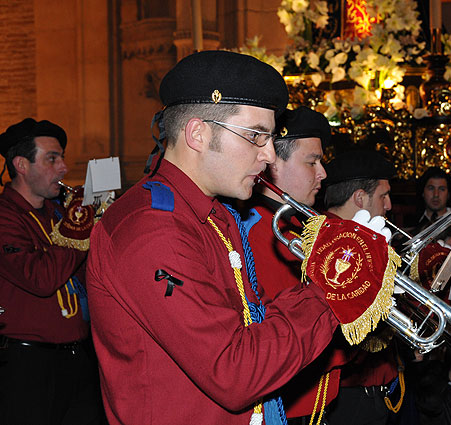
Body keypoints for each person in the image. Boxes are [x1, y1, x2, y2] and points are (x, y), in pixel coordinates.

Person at [86, 51, 397, 424]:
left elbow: (253, 327)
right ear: (198, 134)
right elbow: (234, 372)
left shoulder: (214, 214)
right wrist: (332, 288)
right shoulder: (152, 230)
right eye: (255, 136)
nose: (268, 155)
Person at [243, 106, 346, 422]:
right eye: (312, 161)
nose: (323, 173)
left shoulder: (303, 224)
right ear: (273, 164)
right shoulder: (258, 229)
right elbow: (288, 332)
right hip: (289, 412)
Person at [0, 118, 104, 424]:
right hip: (27, 365)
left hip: (77, 358)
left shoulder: (58, 211)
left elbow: (90, 275)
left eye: (62, 158)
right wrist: (76, 236)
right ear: (21, 164)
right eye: (52, 159)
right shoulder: (5, 216)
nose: (63, 168)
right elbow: (40, 278)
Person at [322, 149, 399, 425]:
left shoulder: (367, 240)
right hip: (348, 398)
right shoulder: (327, 244)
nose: (389, 205)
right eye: (383, 195)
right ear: (359, 198)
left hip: (374, 391)